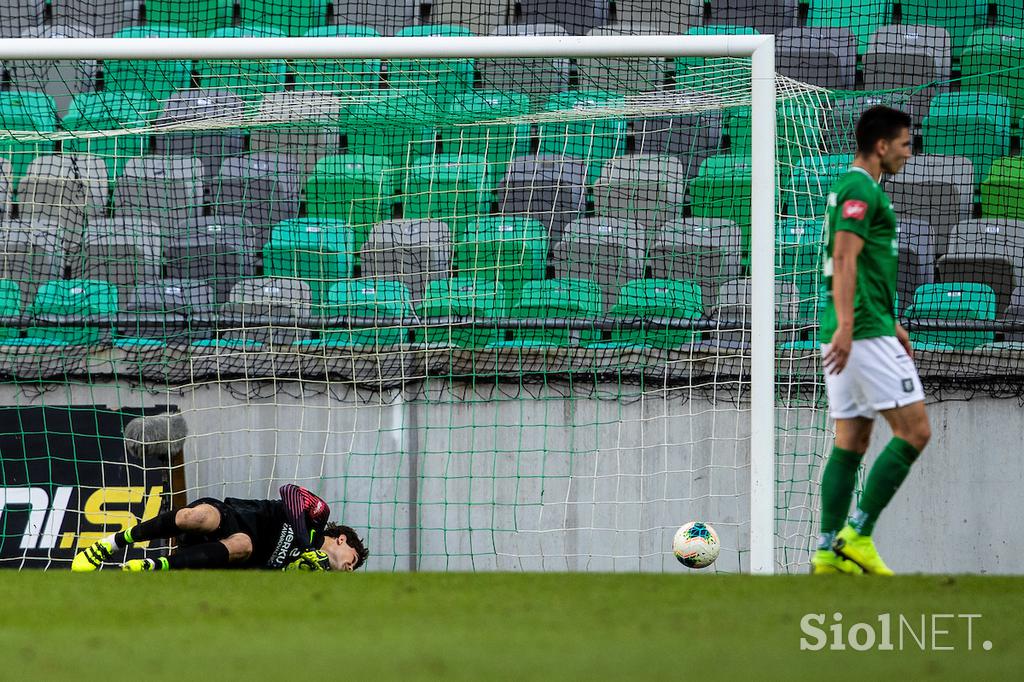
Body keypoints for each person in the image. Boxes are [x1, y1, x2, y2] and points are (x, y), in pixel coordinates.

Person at [812, 105, 931, 576]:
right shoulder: (861, 188)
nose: (908, 152)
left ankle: (826, 551)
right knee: (916, 432)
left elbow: (862, 268)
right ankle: (857, 534)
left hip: (856, 327)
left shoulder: (856, 188)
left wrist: (892, 322)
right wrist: (849, 325)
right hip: (859, 332)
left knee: (852, 441)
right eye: (905, 143)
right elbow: (845, 258)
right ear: (881, 145)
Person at [71, 483, 368, 572]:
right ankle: (109, 544)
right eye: (352, 561)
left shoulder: (313, 571)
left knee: (243, 544)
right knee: (195, 518)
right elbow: (289, 491)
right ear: (341, 539)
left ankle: (150, 566)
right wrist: (304, 543)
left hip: (228, 554)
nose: (349, 569)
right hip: (232, 515)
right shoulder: (317, 515)